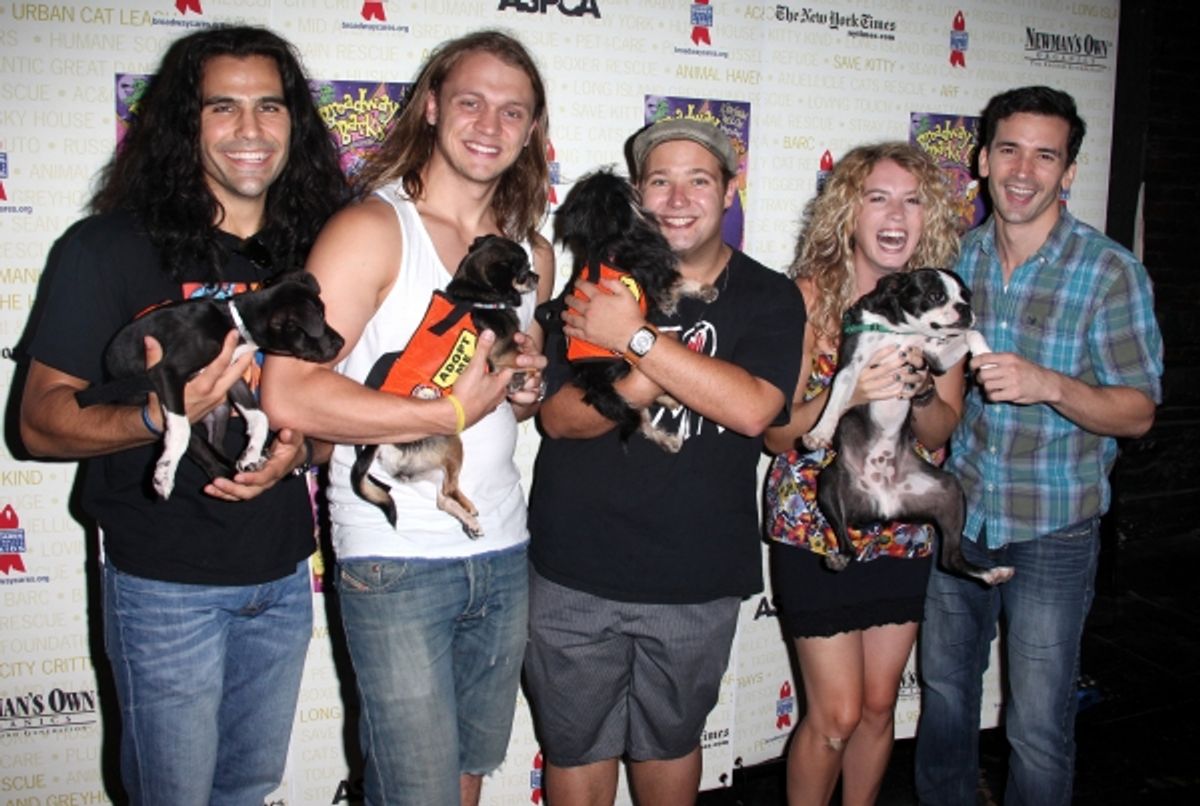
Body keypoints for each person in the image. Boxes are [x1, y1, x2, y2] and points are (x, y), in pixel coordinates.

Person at [18, 26, 348, 806]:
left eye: (270, 106)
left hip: (281, 574)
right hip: (164, 585)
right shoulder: (104, 250)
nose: (250, 130)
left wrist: (298, 453)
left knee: (248, 790)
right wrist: (166, 414)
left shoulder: (315, 256)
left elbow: (334, 421)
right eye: (222, 108)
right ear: (182, 125)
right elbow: (37, 424)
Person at [260, 30, 553, 806]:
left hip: (502, 545)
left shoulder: (533, 253)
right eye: (470, 102)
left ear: (532, 132)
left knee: (463, 778)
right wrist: (452, 408)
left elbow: (512, 400)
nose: (490, 124)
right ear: (430, 108)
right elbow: (289, 391)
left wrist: (523, 392)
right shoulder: (372, 230)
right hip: (396, 561)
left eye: (512, 111)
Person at [524, 117, 807, 805]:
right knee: (576, 749)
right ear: (636, 194)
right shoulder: (593, 288)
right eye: (660, 182)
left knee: (670, 749)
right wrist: (640, 379)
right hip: (574, 571)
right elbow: (559, 419)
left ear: (730, 191)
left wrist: (638, 340)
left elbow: (752, 410)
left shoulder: (770, 295)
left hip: (694, 577)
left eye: (699, 180)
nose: (678, 199)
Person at [914, 86, 1163, 805]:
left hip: (1053, 525)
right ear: (982, 159)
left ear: (1069, 171)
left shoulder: (1109, 271)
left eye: (1045, 155)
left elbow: (1139, 412)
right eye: (1010, 150)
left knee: (1037, 723)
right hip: (963, 516)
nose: (1024, 171)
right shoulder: (957, 261)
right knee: (947, 700)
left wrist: (1049, 384)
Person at [760, 142, 963, 805]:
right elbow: (775, 431)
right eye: (878, 197)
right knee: (838, 714)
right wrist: (848, 390)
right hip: (819, 523)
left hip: (903, 525)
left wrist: (922, 383)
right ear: (849, 212)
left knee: (880, 707)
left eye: (912, 199)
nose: (895, 214)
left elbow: (940, 431)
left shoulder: (940, 296)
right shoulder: (805, 298)